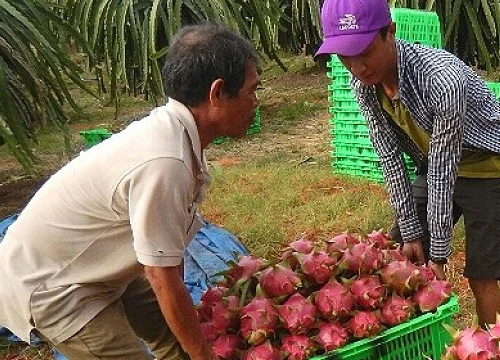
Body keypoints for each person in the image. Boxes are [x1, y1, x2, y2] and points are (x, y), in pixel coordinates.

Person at [0, 22, 261, 360]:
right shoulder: (165, 160)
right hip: (56, 285)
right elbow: (160, 273)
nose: (256, 102)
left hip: (102, 263)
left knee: (178, 344)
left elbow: (167, 258)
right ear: (216, 94)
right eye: (252, 90)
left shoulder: (177, 135)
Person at [316, 0, 500, 325]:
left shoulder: (443, 80)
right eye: (344, 55)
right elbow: (389, 156)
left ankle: (490, 343)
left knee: (483, 272)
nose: (357, 66)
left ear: (390, 32)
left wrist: (440, 252)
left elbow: (444, 169)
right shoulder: (364, 84)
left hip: (488, 167)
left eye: (364, 50)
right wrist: (414, 233)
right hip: (435, 163)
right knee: (402, 248)